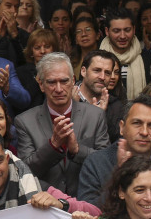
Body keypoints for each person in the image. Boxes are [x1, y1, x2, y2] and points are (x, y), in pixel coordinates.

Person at [14, 52, 109, 197]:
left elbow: (106, 164)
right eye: (51, 82)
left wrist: (77, 150)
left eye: (64, 81)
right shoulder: (25, 121)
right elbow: (25, 172)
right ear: (41, 84)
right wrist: (53, 145)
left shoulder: (95, 116)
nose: (58, 89)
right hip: (45, 206)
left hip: (86, 203)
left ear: (73, 81)